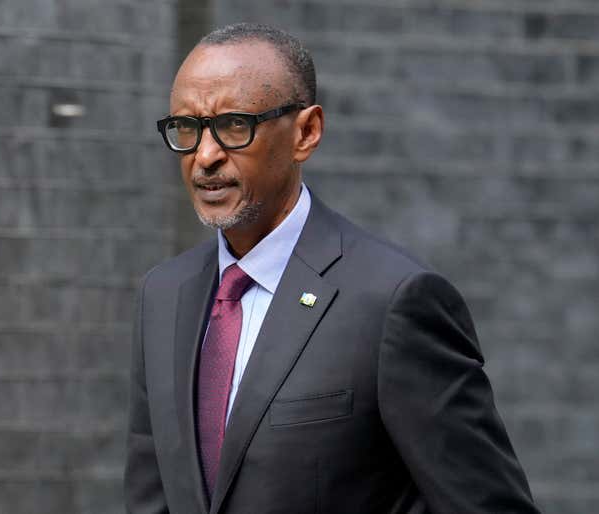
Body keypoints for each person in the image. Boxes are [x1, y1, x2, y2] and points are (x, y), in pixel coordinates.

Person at [124, 23, 540, 514]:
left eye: (235, 125)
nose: (205, 156)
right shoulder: (163, 295)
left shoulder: (392, 303)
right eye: (187, 129)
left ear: (306, 132)